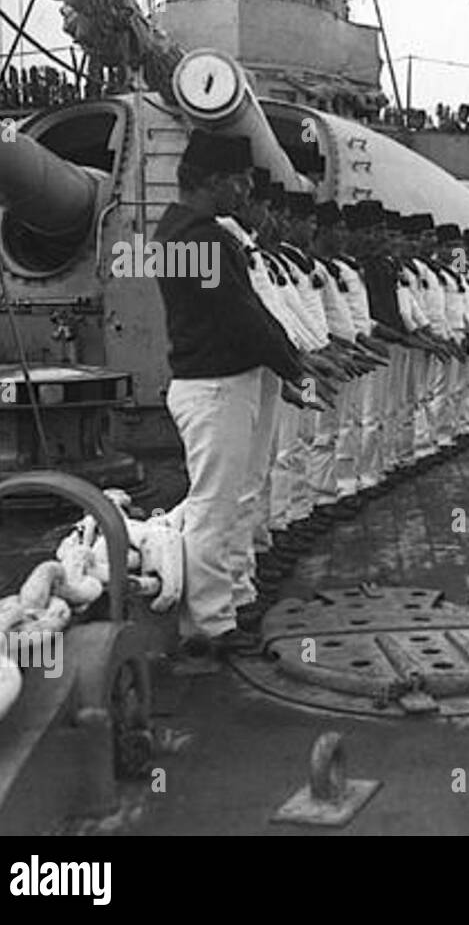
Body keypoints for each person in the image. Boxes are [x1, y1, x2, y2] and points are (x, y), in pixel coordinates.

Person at [153, 130, 320, 657]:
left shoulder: (181, 232)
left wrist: (284, 366)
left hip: (229, 382)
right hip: (216, 387)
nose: (246, 190)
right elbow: (237, 315)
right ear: (212, 181)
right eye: (240, 180)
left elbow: (243, 313)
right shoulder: (199, 239)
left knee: (238, 496)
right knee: (214, 508)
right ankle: (208, 624)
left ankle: (235, 596)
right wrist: (294, 369)